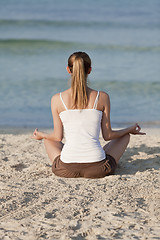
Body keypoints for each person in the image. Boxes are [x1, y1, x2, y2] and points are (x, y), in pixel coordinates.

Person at [32, 51, 145, 178]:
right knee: (124, 136)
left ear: (68, 70)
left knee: (48, 139)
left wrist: (41, 135)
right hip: (98, 169)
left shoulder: (56, 99)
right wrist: (129, 129)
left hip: (66, 169)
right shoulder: (102, 97)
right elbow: (108, 135)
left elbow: (57, 137)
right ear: (89, 70)